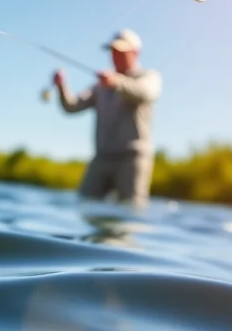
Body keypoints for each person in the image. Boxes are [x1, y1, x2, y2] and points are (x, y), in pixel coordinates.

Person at [52, 29, 161, 207]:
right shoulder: (99, 86)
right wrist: (61, 87)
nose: (115, 55)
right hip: (102, 157)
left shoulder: (149, 77)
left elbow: (146, 93)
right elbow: (71, 107)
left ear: (135, 52)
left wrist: (117, 82)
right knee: (84, 204)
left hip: (132, 159)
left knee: (131, 211)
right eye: (113, 51)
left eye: (121, 51)